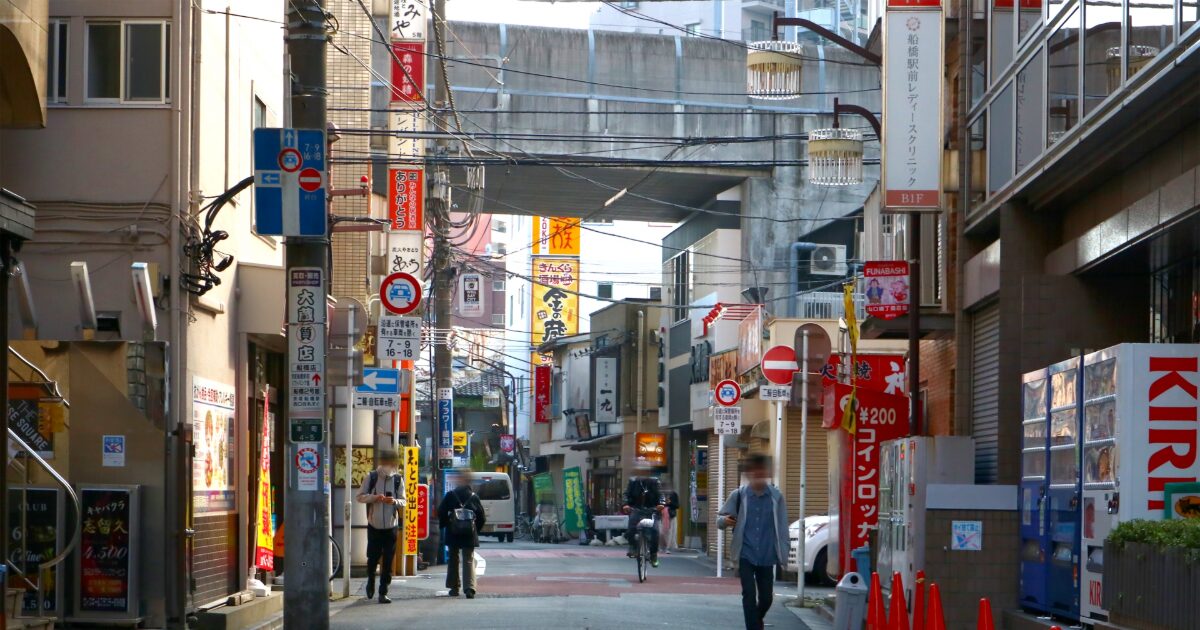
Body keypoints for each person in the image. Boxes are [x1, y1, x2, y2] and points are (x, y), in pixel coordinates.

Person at [717, 454, 789, 630]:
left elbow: (782, 527)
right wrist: (724, 521)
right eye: (754, 471)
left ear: (767, 473)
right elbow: (719, 519)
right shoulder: (739, 495)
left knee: (766, 598)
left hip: (766, 554)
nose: (758, 474)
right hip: (745, 554)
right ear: (748, 473)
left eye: (762, 470)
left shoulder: (776, 497)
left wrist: (784, 555)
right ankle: (754, 627)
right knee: (748, 594)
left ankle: (756, 620)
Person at [355, 450, 406, 603]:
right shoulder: (371, 477)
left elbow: (404, 500)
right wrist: (375, 498)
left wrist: (394, 501)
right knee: (373, 558)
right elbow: (359, 496)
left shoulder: (398, 479)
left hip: (391, 526)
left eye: (391, 462)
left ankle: (383, 592)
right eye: (386, 462)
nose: (389, 465)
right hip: (374, 525)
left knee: (389, 561)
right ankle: (371, 581)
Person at [438, 469, 486, 598]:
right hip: (469, 533)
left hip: (453, 532)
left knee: (453, 559)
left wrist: (445, 524)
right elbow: (481, 517)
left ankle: (454, 587)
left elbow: (441, 512)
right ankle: (469, 588)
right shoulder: (474, 497)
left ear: (459, 480)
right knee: (468, 559)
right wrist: (476, 529)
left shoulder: (450, 495)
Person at [621, 472, 664, 566]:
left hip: (652, 510)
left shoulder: (655, 481)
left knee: (655, 531)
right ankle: (633, 546)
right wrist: (625, 505)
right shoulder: (632, 481)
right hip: (636, 509)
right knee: (631, 526)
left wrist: (661, 504)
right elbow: (626, 494)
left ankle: (653, 555)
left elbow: (661, 495)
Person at [661, 480, 681, 554]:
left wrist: (670, 503)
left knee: (670, 532)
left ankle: (668, 547)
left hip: (671, 515)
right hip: (662, 516)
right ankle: (663, 546)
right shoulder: (661, 495)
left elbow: (677, 505)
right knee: (663, 532)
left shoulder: (673, 494)